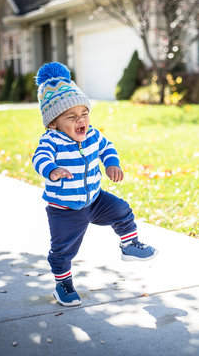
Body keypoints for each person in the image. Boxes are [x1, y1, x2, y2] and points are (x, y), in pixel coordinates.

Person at [32, 62, 157, 307]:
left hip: (95, 200)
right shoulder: (51, 140)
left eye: (84, 114)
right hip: (65, 209)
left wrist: (111, 164)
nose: (81, 120)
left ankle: (129, 244)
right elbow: (40, 158)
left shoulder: (92, 135)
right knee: (63, 250)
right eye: (71, 116)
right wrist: (53, 170)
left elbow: (107, 147)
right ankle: (63, 284)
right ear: (53, 123)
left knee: (122, 209)